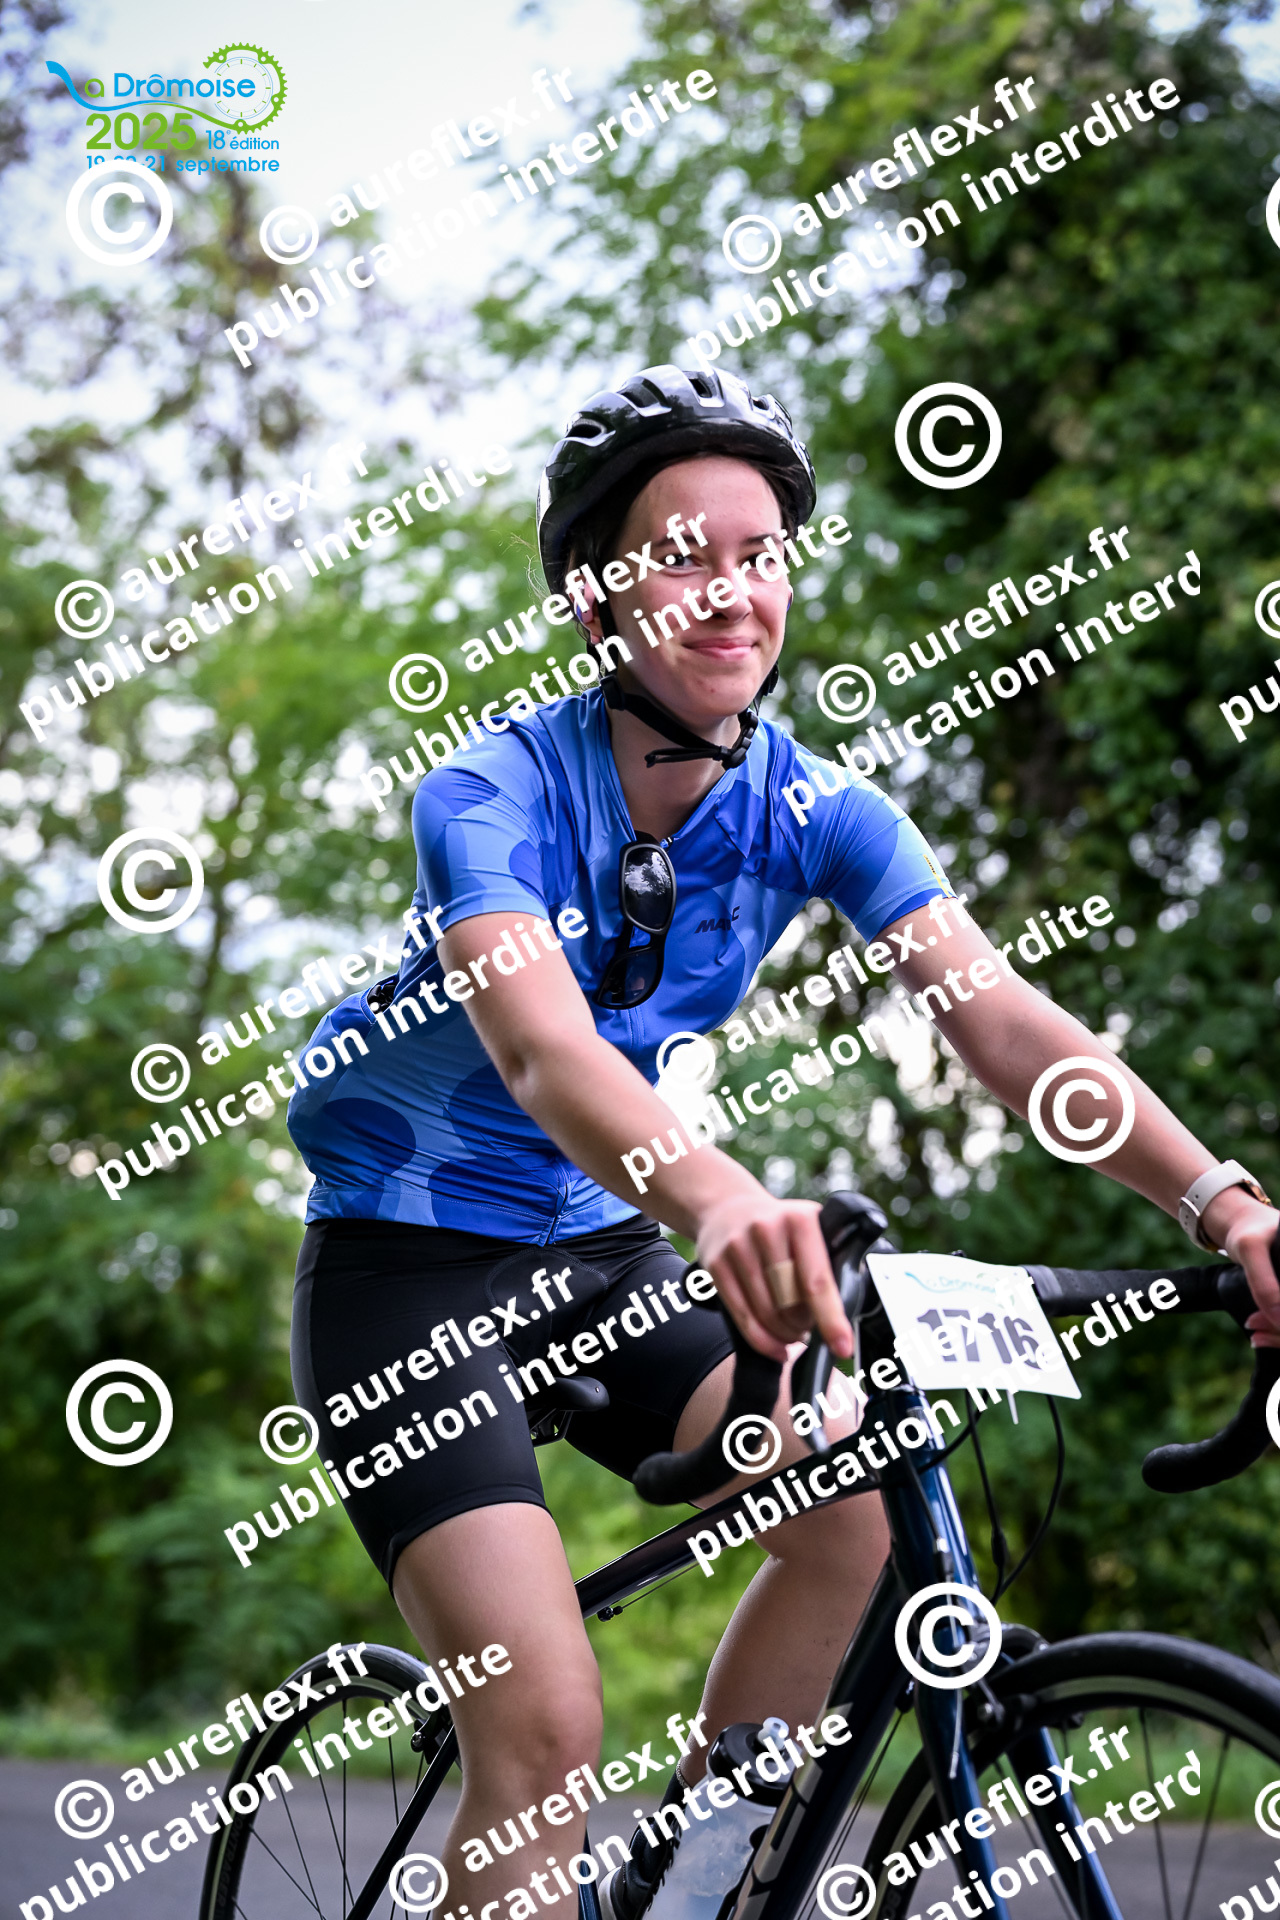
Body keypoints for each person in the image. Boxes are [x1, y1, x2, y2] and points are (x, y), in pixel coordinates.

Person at [285, 364, 1280, 1920]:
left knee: (857, 1526)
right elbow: (544, 1051)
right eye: (684, 555)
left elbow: (1003, 1024)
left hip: (604, 1252)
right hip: (408, 1275)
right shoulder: (486, 795)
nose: (733, 592)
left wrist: (1223, 1203)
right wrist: (726, 1199)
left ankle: (691, 1890)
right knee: (542, 1729)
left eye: (760, 556)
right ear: (595, 597)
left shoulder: (820, 808)